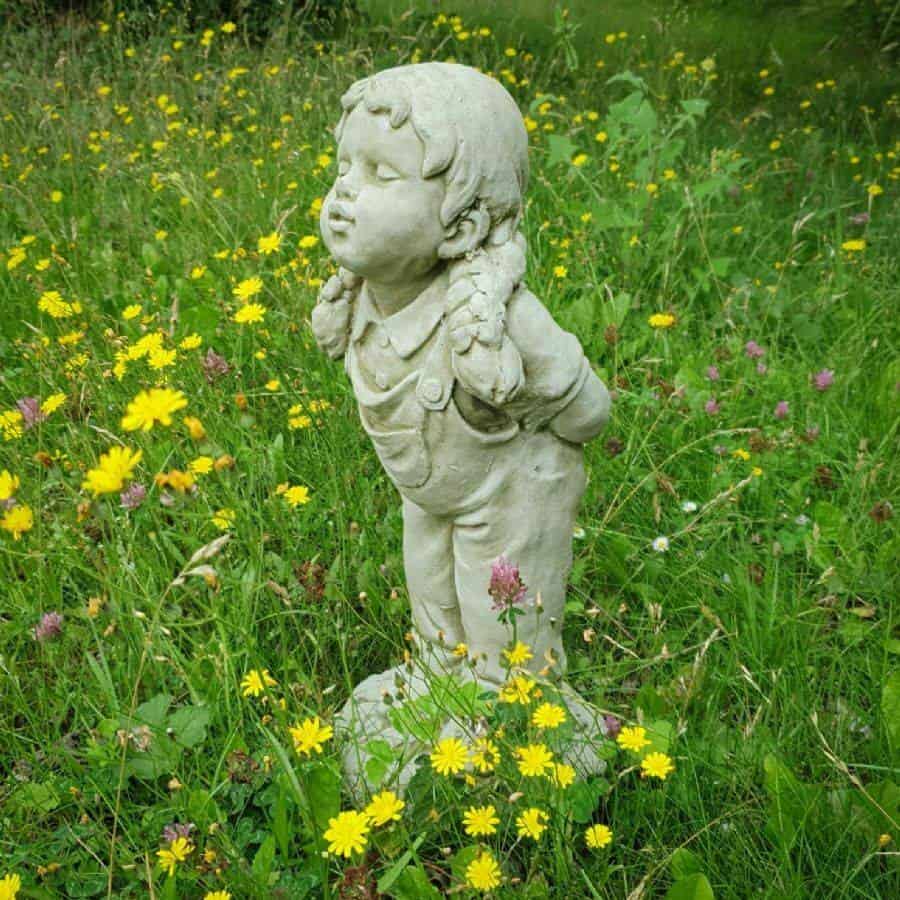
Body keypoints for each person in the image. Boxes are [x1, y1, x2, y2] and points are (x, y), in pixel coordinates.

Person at [312, 62, 610, 685]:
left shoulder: (500, 317)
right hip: (429, 495)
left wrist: (550, 424)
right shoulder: (366, 297)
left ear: (463, 227)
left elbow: (589, 409)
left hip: (514, 494)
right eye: (344, 168)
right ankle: (439, 686)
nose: (344, 193)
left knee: (500, 613)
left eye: (381, 174)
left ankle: (514, 712)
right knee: (432, 592)